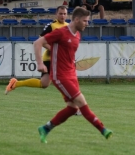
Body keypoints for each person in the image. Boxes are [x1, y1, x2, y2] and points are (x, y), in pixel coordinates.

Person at [34, 7, 113, 143]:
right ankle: (103, 129)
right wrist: (40, 63)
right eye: (85, 21)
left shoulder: (77, 35)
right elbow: (38, 42)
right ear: (76, 19)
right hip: (60, 76)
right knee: (81, 102)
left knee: (72, 108)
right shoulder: (60, 33)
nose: (87, 24)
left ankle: (45, 128)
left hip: (71, 74)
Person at [5, 5, 69, 94]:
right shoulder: (52, 26)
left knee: (44, 84)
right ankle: (73, 102)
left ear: (67, 15)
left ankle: (15, 84)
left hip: (61, 59)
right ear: (56, 14)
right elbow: (40, 40)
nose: (62, 16)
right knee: (66, 80)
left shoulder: (68, 26)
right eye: (60, 14)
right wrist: (53, 49)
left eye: (64, 14)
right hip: (51, 59)